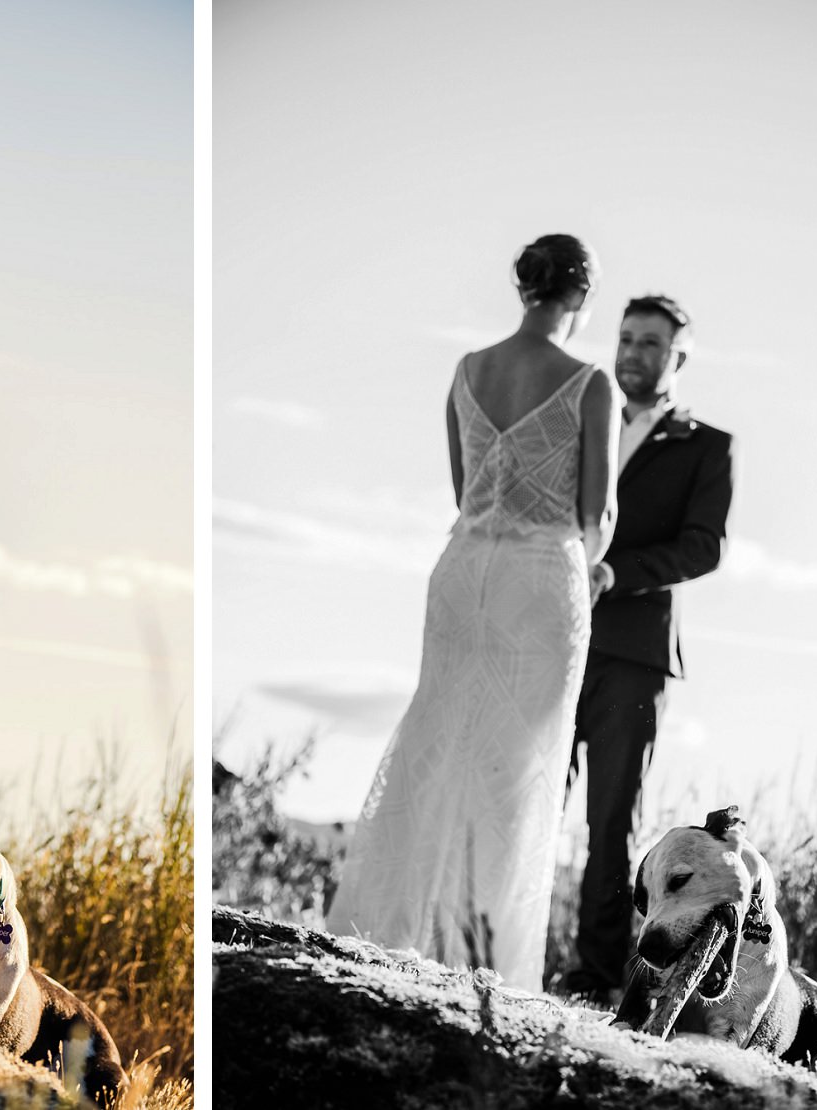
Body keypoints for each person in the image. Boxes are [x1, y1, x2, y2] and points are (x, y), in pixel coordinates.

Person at [327, 234, 617, 991]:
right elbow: (600, 512)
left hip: (461, 570)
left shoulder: (467, 371)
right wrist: (594, 566)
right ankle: (481, 958)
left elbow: (464, 494)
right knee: (518, 763)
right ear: (580, 298)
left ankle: (392, 927)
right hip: (540, 579)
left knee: (440, 739)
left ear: (524, 288)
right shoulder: (591, 384)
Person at [562, 294, 734, 1002]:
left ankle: (596, 976)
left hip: (634, 652)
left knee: (609, 820)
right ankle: (492, 941)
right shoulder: (580, 417)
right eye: (625, 339)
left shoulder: (707, 445)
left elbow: (703, 547)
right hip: (552, 635)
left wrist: (616, 575)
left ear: (678, 359)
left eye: (650, 344)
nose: (632, 353)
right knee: (527, 800)